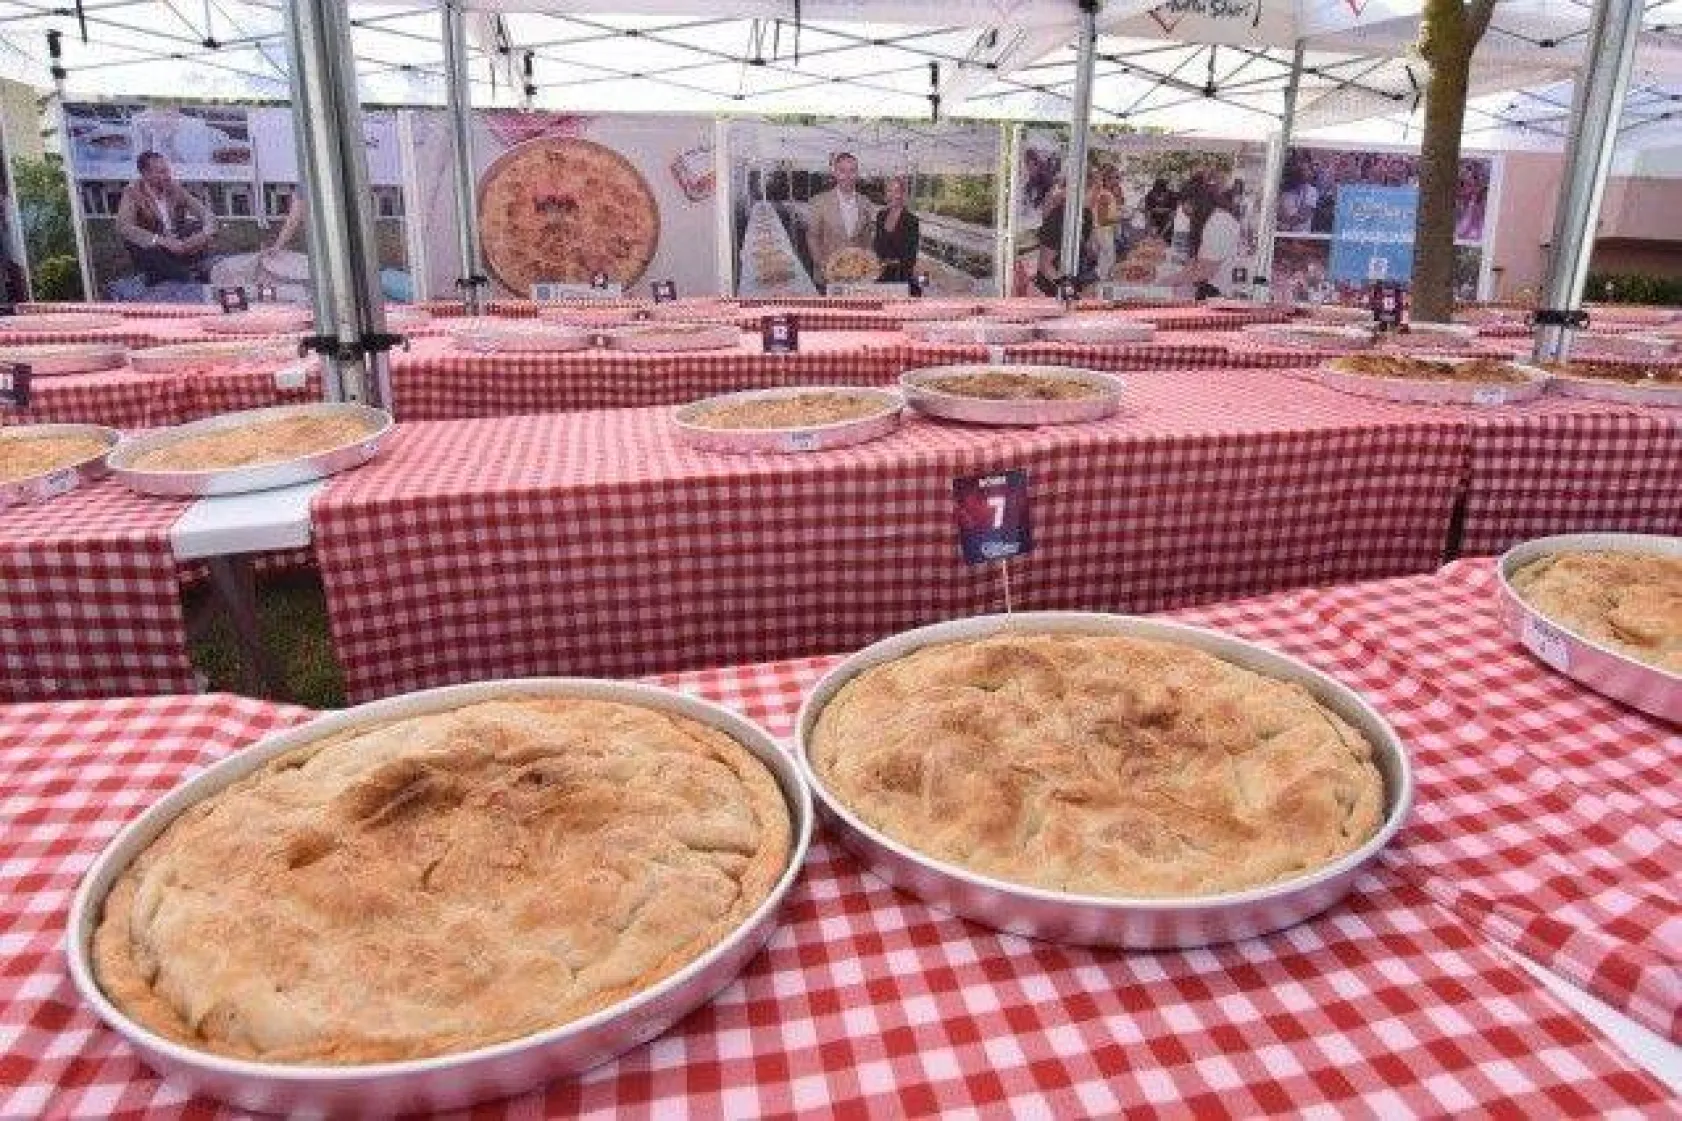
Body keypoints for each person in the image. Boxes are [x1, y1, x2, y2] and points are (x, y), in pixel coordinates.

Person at [116, 150, 216, 285]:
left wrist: (205, 233)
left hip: (177, 242)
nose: (168, 175)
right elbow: (123, 227)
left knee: (197, 226)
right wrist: (162, 241)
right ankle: (183, 275)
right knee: (138, 244)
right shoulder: (132, 193)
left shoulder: (174, 187)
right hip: (156, 248)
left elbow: (205, 213)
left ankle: (177, 270)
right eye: (162, 172)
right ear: (146, 175)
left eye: (167, 170)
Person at [803, 151, 876, 291]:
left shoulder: (865, 202)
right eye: (842, 171)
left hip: (856, 276)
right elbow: (812, 236)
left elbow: (867, 237)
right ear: (835, 173)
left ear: (857, 173)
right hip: (828, 277)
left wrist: (867, 264)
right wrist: (821, 264)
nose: (847, 176)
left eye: (852, 171)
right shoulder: (819, 201)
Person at [1167, 183, 1242, 300]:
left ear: (1197, 204)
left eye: (1184, 205)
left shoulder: (1219, 223)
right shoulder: (1213, 219)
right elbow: (1198, 261)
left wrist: (1165, 282)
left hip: (1218, 294)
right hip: (1210, 289)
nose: (1183, 210)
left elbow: (1205, 271)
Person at [1031, 177, 1096, 296]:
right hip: (1052, 290)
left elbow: (1086, 251)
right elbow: (1045, 266)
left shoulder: (1087, 215)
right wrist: (1066, 286)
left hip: (1075, 283)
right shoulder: (1057, 219)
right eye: (1094, 190)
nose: (1098, 195)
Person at [871, 175, 920, 284]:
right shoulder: (881, 215)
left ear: (903, 194)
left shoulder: (911, 221)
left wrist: (887, 263)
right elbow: (877, 244)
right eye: (889, 191)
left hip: (899, 277)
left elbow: (910, 259)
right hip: (878, 274)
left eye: (897, 191)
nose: (893, 195)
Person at [1142, 176, 1177, 242]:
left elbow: (1172, 217)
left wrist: (1162, 234)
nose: (1159, 198)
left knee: (1165, 242)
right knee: (1150, 242)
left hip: (1167, 224)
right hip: (1153, 221)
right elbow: (1147, 215)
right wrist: (1151, 229)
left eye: (1162, 195)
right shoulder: (1149, 195)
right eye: (1157, 195)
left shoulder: (1172, 196)